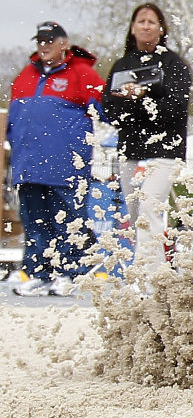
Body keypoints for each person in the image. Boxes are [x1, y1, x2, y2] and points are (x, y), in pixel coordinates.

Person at [6, 21, 104, 295]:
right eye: (40, 41)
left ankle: (73, 273)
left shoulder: (82, 73)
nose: (44, 46)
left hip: (66, 167)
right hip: (29, 165)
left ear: (64, 43)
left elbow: (107, 108)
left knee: (69, 220)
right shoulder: (25, 76)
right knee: (34, 221)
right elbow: (13, 122)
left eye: (51, 40)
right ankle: (39, 274)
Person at [102, 3, 192, 274]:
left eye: (152, 22)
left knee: (149, 208)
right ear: (132, 28)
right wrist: (129, 101)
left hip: (165, 149)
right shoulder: (122, 65)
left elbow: (176, 107)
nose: (146, 26)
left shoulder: (174, 64)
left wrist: (142, 98)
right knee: (135, 214)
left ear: (161, 28)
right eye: (141, 21)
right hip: (131, 149)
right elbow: (110, 108)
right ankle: (153, 268)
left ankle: (151, 279)